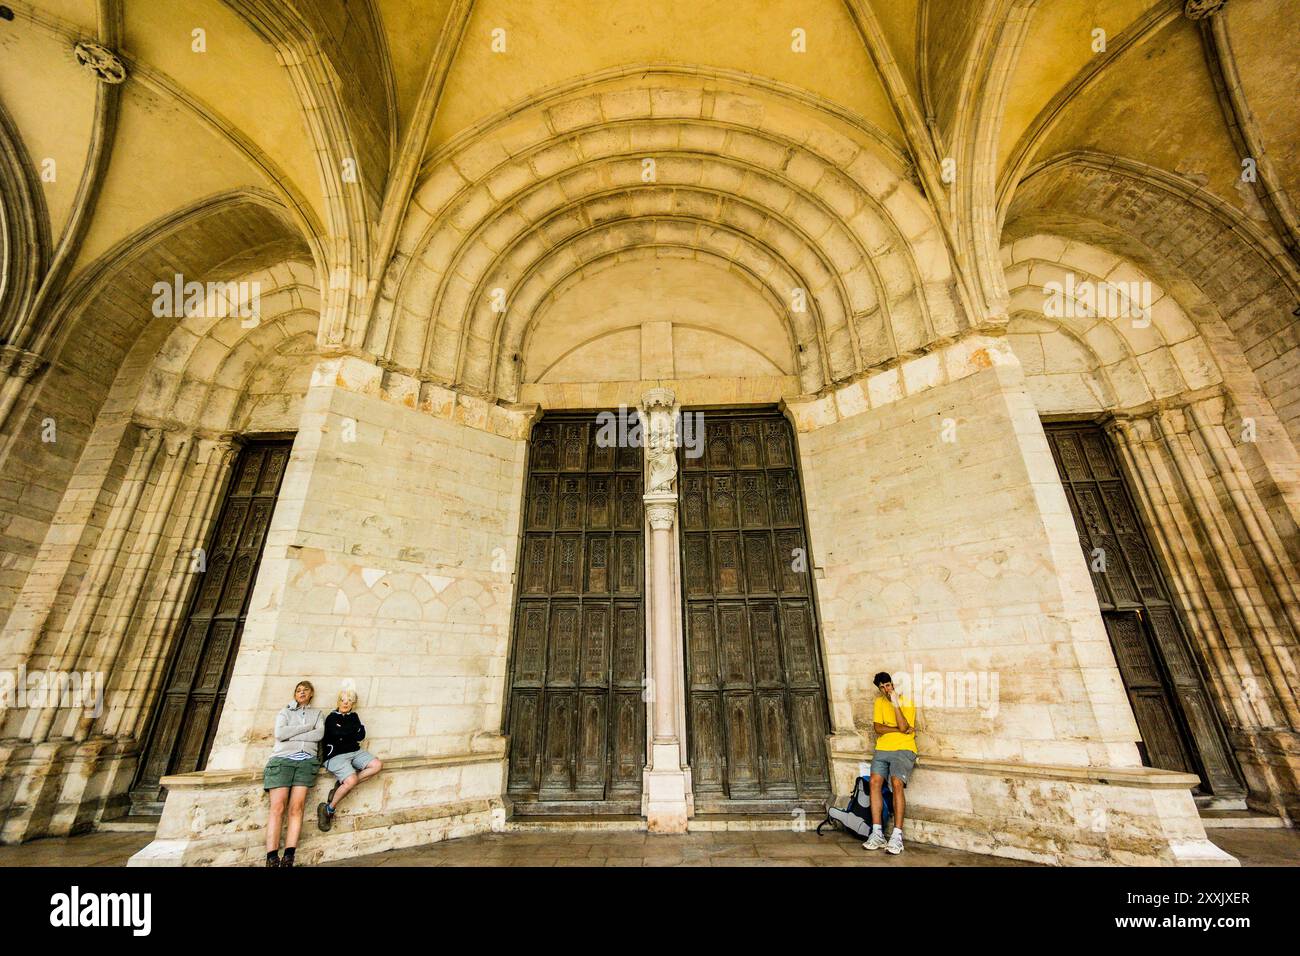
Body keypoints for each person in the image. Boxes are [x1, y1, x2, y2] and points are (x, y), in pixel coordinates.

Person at [264, 680, 324, 867]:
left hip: (306, 761)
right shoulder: (285, 712)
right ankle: (271, 856)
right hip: (283, 761)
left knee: (296, 808)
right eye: (298, 690)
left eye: (305, 690)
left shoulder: (317, 714)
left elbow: (319, 735)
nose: (302, 692)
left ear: (311, 693)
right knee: (277, 807)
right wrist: (307, 728)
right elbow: (280, 734)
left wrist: (293, 734)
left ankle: (289, 855)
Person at [863, 671, 916, 855]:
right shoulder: (879, 702)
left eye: (888, 685)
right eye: (882, 687)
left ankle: (897, 836)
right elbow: (878, 728)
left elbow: (904, 726)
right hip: (883, 748)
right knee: (874, 782)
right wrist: (897, 729)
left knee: (896, 783)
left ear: (893, 684)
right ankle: (877, 832)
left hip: (904, 748)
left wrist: (895, 704)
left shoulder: (906, 701)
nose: (886, 689)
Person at [316, 688, 382, 832]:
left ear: (353, 703)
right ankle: (328, 809)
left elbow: (361, 735)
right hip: (335, 755)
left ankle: (341, 786)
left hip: (354, 751)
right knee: (351, 781)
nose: (346, 703)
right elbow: (338, 733)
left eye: (349, 701)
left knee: (376, 765)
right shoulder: (331, 718)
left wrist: (348, 732)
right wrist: (351, 731)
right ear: (338, 701)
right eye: (343, 700)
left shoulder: (354, 716)